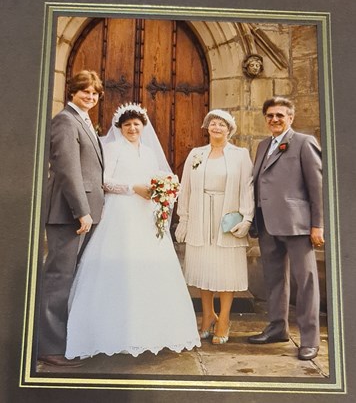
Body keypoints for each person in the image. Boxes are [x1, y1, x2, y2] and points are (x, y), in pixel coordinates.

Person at [65, 103, 201, 359]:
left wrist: (165, 188)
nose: (132, 128)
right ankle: (111, 333)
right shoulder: (113, 148)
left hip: (145, 215)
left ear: (143, 126)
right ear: (120, 128)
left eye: (136, 124)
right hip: (121, 213)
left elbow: (155, 178)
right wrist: (132, 188)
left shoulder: (148, 152)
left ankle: (153, 332)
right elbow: (104, 181)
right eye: (127, 125)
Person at [248, 96, 324, 361]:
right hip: (267, 223)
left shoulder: (304, 142)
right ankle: (277, 328)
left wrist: (318, 225)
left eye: (280, 115)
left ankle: (310, 340)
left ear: (290, 117)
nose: (274, 120)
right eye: (270, 115)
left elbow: (317, 188)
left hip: (298, 225)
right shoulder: (262, 145)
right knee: (274, 280)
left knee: (306, 283)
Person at [38, 70, 105, 366]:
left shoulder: (83, 120)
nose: (90, 97)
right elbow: (67, 169)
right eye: (85, 91)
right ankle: (49, 347)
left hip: (82, 213)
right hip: (69, 214)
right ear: (72, 92)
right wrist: (82, 211)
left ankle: (65, 340)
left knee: (71, 279)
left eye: (94, 93)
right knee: (58, 279)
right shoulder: (65, 120)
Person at [175, 109, 254, 344]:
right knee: (204, 268)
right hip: (200, 216)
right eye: (213, 124)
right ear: (207, 128)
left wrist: (246, 218)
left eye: (222, 124)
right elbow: (185, 188)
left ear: (229, 130)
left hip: (227, 218)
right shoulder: (196, 154)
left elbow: (247, 188)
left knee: (226, 271)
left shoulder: (240, 155)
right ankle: (208, 315)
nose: (217, 127)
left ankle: (224, 319)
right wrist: (184, 219)